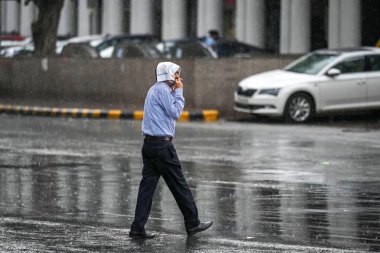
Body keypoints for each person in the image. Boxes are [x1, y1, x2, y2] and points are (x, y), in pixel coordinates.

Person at [129, 62, 213, 239]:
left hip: (150, 145)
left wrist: (175, 89)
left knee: (147, 188)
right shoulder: (163, 90)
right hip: (162, 147)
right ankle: (193, 223)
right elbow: (175, 112)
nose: (178, 78)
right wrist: (180, 92)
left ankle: (137, 227)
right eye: (175, 75)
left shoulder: (155, 89)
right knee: (179, 184)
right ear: (167, 75)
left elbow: (166, 109)